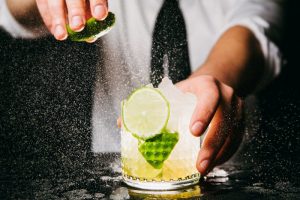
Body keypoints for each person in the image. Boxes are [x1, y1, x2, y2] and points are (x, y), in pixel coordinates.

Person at [0, 0, 283, 175]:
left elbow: (252, 32)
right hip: (114, 170)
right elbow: (13, 11)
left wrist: (214, 79)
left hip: (227, 172)